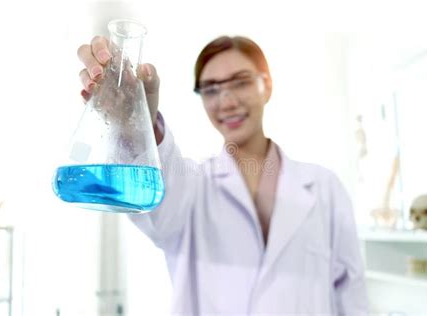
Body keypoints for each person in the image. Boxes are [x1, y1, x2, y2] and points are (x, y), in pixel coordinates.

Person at [77, 35, 368, 315]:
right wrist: (139, 121)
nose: (227, 101)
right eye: (211, 88)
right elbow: (157, 204)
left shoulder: (325, 188)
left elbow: (351, 297)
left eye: (240, 82)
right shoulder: (191, 188)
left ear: (266, 85)